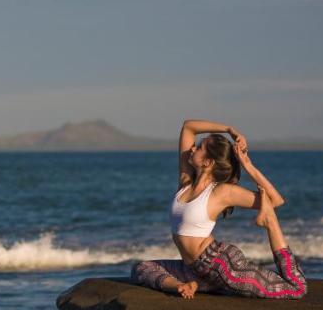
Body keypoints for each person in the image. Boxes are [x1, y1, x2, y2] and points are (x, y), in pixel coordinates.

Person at [130, 118, 307, 299]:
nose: (192, 148)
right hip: (193, 269)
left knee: (296, 288)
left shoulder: (222, 192)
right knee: (141, 268)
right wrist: (229, 129)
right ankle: (182, 286)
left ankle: (270, 222)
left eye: (199, 148)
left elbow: (275, 200)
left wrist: (247, 165)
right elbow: (188, 127)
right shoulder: (185, 181)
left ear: (208, 162)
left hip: (220, 266)